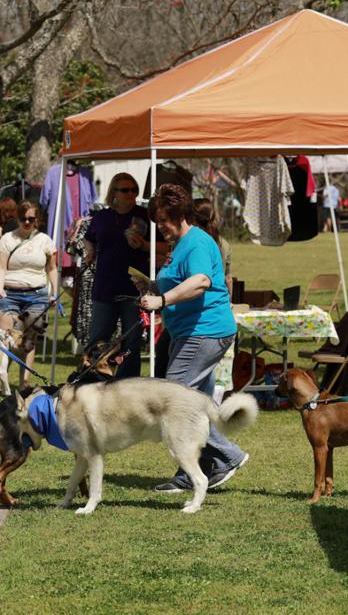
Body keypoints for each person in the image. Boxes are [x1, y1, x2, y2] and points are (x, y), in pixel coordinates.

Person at [139, 184, 247, 494]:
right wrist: (152, 291)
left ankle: (227, 456)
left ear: (181, 213)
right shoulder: (181, 243)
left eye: (164, 220)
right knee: (194, 405)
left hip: (206, 331)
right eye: (157, 221)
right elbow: (179, 281)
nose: (160, 227)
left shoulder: (197, 242)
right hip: (188, 332)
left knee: (175, 402)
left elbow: (200, 281)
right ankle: (193, 471)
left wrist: (163, 301)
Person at [83, 173, 149, 378]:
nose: (131, 194)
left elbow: (163, 246)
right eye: (125, 190)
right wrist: (90, 252)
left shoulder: (145, 216)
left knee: (131, 342)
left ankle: (127, 382)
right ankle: (94, 380)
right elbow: (88, 238)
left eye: (133, 190)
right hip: (105, 287)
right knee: (97, 339)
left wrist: (145, 245)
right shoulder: (102, 217)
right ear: (114, 193)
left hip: (134, 288)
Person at [0, 200, 57, 385]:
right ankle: (0, 377)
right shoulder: (7, 239)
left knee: (29, 340)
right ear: (17, 218)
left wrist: (53, 292)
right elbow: (0, 267)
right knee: (6, 336)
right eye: (23, 219)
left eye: (31, 219)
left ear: (37, 219)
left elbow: (52, 268)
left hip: (37, 294)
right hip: (10, 293)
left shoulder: (44, 240)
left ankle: (25, 382)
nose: (27, 222)